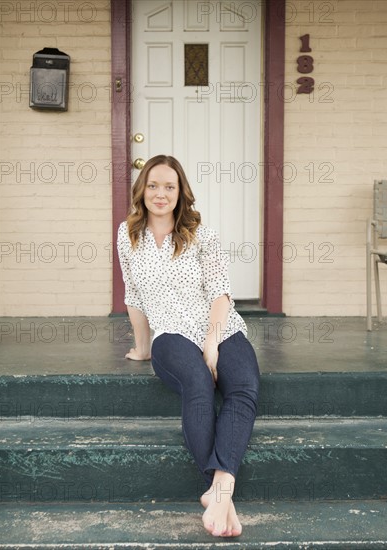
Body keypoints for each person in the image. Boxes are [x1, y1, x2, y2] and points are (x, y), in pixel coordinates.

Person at [117, 155, 260, 538]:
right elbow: (133, 295)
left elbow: (219, 294)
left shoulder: (202, 234)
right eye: (152, 185)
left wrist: (212, 342)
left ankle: (219, 491)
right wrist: (143, 347)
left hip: (221, 327)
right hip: (171, 334)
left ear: (181, 194)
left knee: (243, 388)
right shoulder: (127, 234)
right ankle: (221, 494)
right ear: (141, 190)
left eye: (169, 186)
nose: (160, 194)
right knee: (198, 385)